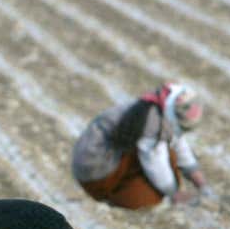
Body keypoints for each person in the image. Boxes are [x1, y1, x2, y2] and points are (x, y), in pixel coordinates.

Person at [71, 83, 209, 209]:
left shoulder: (157, 106)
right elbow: (156, 163)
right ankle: (113, 194)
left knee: (168, 158)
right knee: (152, 194)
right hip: (96, 166)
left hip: (92, 156)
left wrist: (193, 171)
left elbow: (177, 139)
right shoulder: (152, 122)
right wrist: (174, 192)